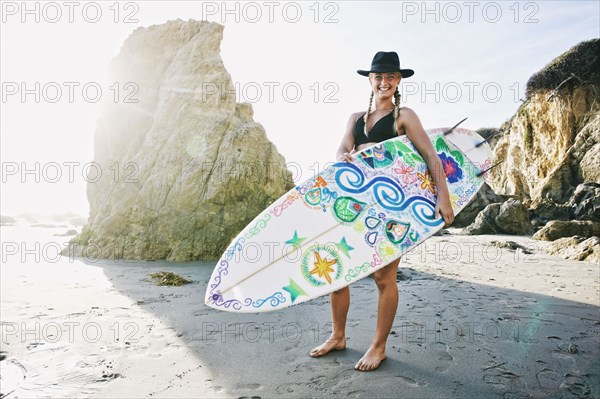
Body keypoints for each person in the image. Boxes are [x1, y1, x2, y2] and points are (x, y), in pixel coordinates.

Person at [309, 51, 455, 371]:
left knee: (383, 276)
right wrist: (344, 155)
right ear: (370, 80)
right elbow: (341, 149)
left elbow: (431, 157)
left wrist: (443, 198)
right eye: (379, 76)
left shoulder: (405, 117)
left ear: (398, 80)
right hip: (356, 204)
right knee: (338, 271)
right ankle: (338, 336)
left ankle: (378, 346)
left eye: (390, 76)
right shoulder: (356, 118)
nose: (384, 82)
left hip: (393, 207)